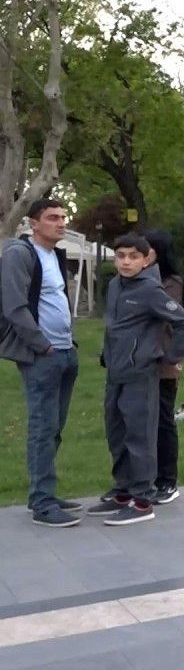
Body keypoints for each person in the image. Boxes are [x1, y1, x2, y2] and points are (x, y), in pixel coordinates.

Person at [86, 234, 184, 526]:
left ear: (146, 259)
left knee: (140, 436)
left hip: (140, 373)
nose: (126, 262)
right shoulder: (115, 285)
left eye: (133, 256)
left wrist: (171, 356)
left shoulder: (151, 290)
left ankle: (143, 500)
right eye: (120, 255)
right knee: (117, 433)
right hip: (116, 372)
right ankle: (123, 491)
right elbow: (113, 328)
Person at [0, 199, 82, 527]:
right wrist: (42, 345)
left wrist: (68, 342)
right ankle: (42, 502)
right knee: (42, 428)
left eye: (63, 217)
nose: (61, 223)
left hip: (66, 351)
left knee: (54, 428)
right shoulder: (19, 254)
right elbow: (14, 307)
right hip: (42, 356)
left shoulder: (54, 255)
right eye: (52, 218)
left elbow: (55, 300)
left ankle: (45, 493)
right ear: (33, 223)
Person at [143, 230, 184, 504]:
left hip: (162, 363)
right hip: (140, 363)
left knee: (163, 421)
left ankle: (167, 480)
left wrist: (171, 357)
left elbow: (169, 319)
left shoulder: (171, 283)